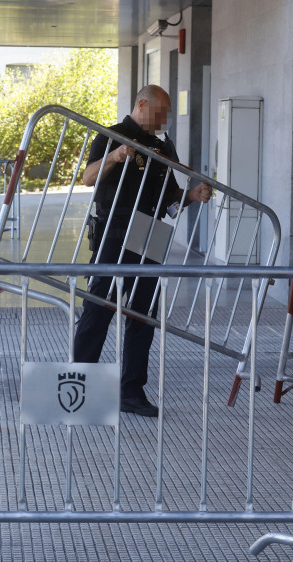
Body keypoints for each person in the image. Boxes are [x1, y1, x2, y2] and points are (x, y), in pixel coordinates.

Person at [74, 85, 212, 417]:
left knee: (143, 315)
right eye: (160, 112)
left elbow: (169, 196)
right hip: (116, 227)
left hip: (150, 230)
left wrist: (191, 197)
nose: (165, 120)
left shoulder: (163, 146)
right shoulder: (112, 134)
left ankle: (131, 391)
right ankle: (80, 389)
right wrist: (115, 156)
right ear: (141, 104)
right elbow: (87, 177)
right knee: (99, 308)